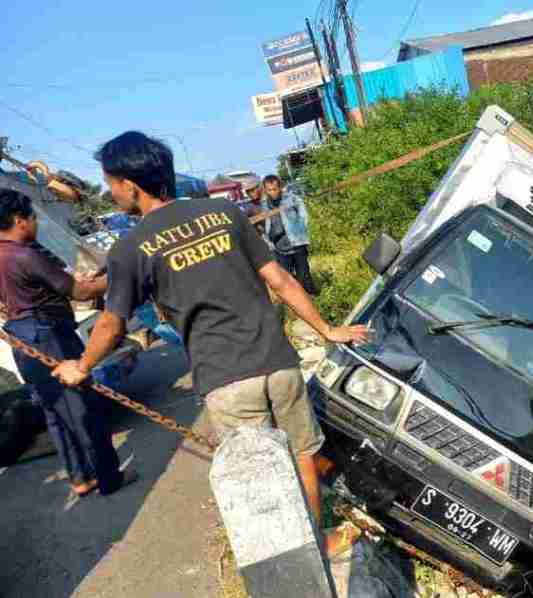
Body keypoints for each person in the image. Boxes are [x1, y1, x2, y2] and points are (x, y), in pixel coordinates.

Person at [51, 132, 369, 554]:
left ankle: (289, 561)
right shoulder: (224, 213)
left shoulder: (130, 249)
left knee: (261, 474)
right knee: (301, 456)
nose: (111, 193)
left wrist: (82, 365)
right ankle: (318, 543)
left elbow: (111, 325)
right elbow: (281, 280)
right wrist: (327, 329)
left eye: (110, 183)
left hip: (226, 378)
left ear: (131, 184)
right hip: (278, 362)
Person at [0, 188, 136, 497]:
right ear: (20, 220)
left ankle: (80, 478)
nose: (35, 223)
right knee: (82, 407)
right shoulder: (24, 254)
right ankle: (109, 479)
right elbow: (80, 292)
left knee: (54, 411)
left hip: (22, 339)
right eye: (33, 217)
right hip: (49, 337)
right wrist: (117, 276)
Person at [261, 174, 318, 296]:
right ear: (265, 190)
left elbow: (304, 216)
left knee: (304, 276)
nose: (273, 192)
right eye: (269, 190)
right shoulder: (264, 204)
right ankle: (299, 302)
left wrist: (300, 231)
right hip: (279, 248)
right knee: (287, 280)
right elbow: (266, 224)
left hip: (296, 244)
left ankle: (314, 298)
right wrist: (268, 241)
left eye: (275, 189)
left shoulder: (292, 199)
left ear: (280, 187)